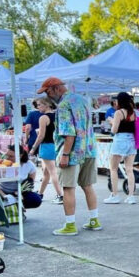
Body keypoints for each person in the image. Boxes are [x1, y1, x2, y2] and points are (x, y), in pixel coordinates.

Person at [38, 76, 100, 236]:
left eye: (47, 92)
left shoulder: (63, 106)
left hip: (72, 152)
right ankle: (94, 220)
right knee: (88, 186)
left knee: (68, 188)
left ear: (55, 88)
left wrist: (65, 154)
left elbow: (69, 133)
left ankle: (70, 225)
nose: (47, 96)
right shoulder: (81, 100)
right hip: (89, 148)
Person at [28, 96, 64, 204]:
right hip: (55, 145)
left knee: (52, 172)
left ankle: (60, 195)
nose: (38, 107)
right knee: (46, 172)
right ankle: (40, 193)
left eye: (39, 104)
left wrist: (33, 148)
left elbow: (41, 136)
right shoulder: (57, 116)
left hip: (46, 146)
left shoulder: (43, 118)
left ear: (47, 104)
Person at [105, 92, 138, 205]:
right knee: (129, 169)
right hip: (132, 141)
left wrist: (112, 121)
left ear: (120, 101)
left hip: (120, 140)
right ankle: (131, 196)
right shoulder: (133, 112)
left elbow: (114, 130)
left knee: (113, 168)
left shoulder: (118, 112)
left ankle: (115, 195)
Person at [0, 146, 42, 211]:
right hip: (2, 191)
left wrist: (19, 193)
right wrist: (4, 196)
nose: (7, 158)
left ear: (20, 156)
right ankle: (10, 208)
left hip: (19, 191)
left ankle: (17, 208)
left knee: (36, 200)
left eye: (11, 156)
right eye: (6, 155)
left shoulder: (29, 165)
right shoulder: (1, 165)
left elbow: (30, 182)